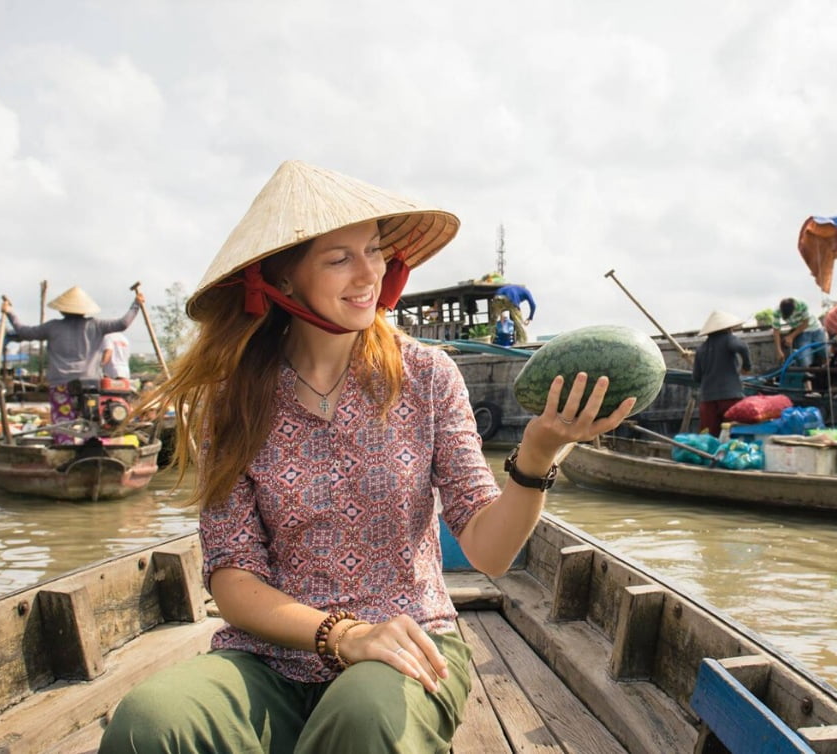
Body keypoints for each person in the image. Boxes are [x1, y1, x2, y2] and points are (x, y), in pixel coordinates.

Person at [99, 160, 634, 754]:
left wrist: (537, 454)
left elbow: (488, 551)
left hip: (409, 644)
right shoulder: (234, 402)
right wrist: (342, 634)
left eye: (375, 251)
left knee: (364, 721)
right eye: (338, 258)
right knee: (149, 722)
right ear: (284, 280)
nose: (369, 274)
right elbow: (233, 577)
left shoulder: (427, 376)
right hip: (270, 658)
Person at [1, 286, 143, 425]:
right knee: (91, 421)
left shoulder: (53, 326)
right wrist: (136, 304)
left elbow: (25, 332)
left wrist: (10, 312)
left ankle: (65, 444)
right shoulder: (96, 325)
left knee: (63, 425)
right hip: (90, 384)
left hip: (61, 384)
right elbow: (123, 323)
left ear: (62, 310)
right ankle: (90, 445)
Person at [691, 310, 751, 434]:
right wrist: (746, 366)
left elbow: (696, 377)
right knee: (731, 435)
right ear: (728, 328)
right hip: (730, 398)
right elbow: (742, 347)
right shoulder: (728, 339)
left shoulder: (701, 349)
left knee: (708, 437)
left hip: (707, 400)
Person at [773, 297, 826, 390]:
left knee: (825, 354)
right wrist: (778, 350)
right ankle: (808, 390)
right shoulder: (777, 311)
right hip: (802, 333)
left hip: (816, 330)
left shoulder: (802, 305)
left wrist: (791, 336)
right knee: (804, 360)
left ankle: (829, 386)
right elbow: (776, 330)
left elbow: (806, 323)